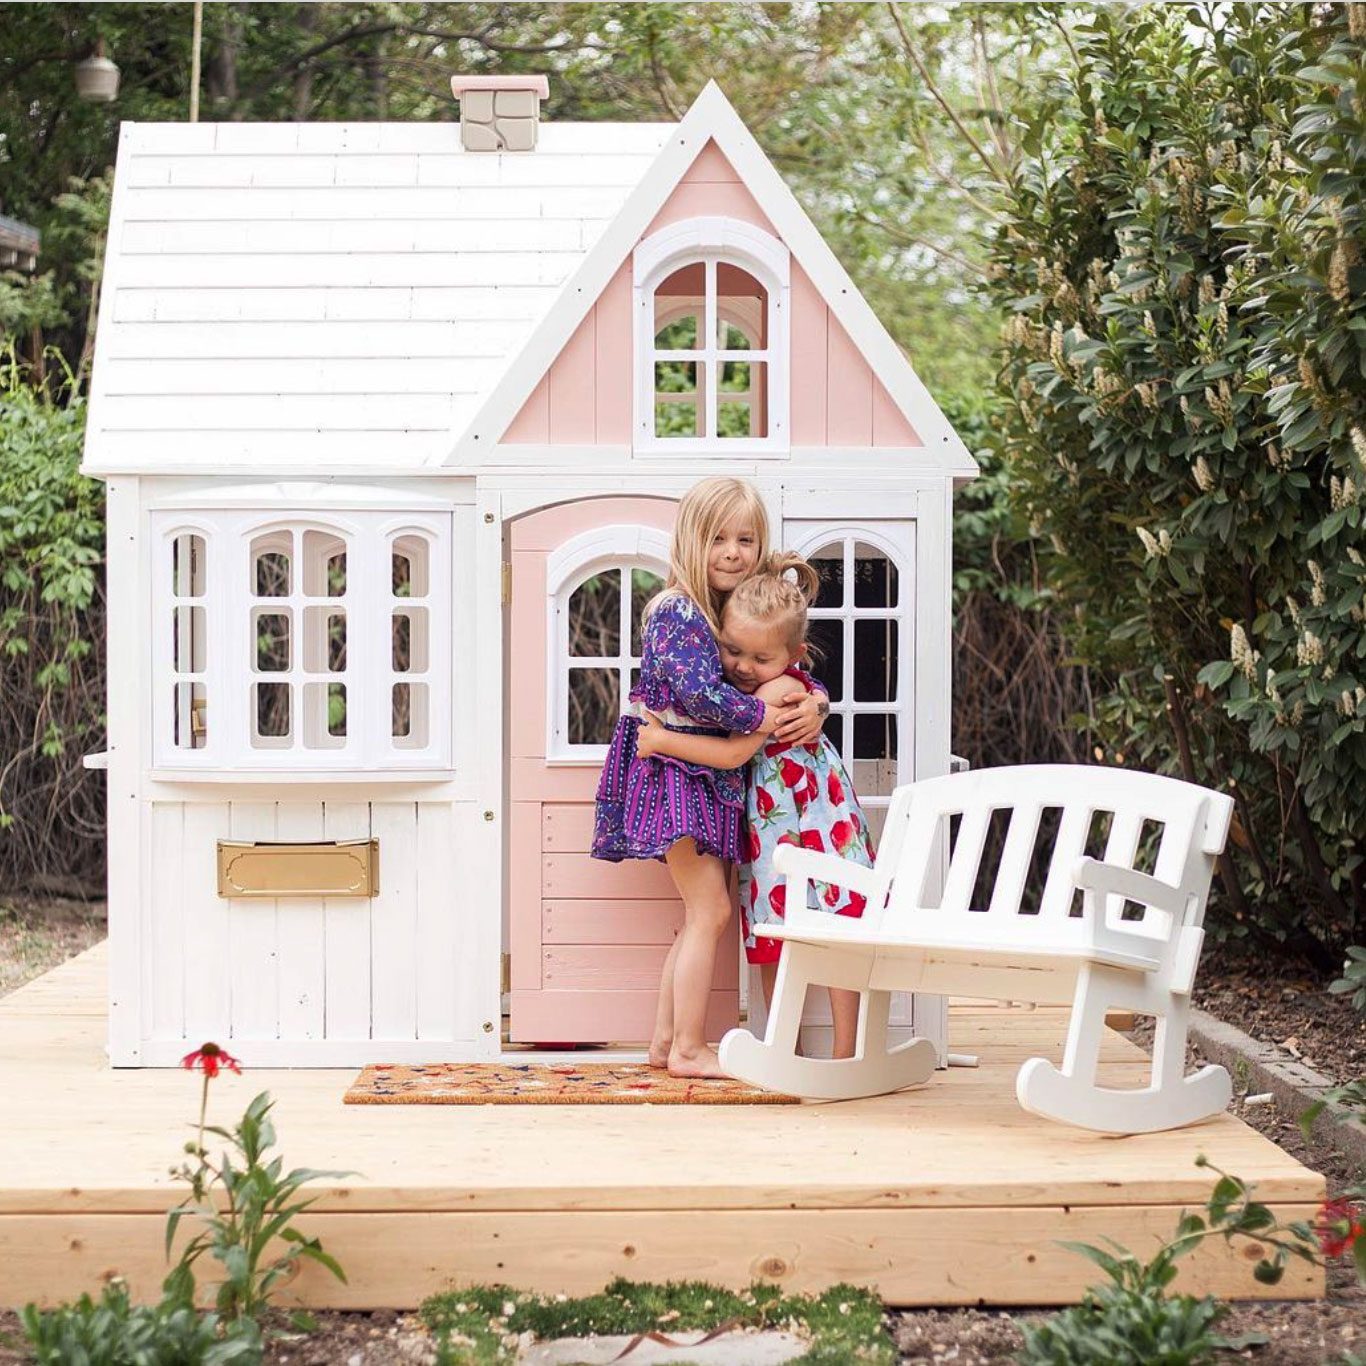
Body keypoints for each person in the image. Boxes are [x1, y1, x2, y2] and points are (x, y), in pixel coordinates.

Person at [591, 476, 827, 1078]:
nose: (732, 551)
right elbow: (701, 694)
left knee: (701, 914)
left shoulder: (732, 611)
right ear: (691, 542)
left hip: (702, 774)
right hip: (675, 772)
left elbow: (779, 660)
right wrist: (765, 716)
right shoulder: (676, 610)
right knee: (711, 913)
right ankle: (691, 1050)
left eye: (746, 539)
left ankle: (668, 1042)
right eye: (718, 537)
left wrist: (812, 701)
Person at [635, 557, 876, 1061]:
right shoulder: (741, 671)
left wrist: (660, 740)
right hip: (775, 826)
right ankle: (785, 1046)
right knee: (774, 928)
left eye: (759, 657)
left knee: (836, 925)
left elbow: (731, 753)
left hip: (813, 820)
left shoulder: (779, 690)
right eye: (733, 650)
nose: (743, 666)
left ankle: (847, 1054)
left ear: (794, 655)